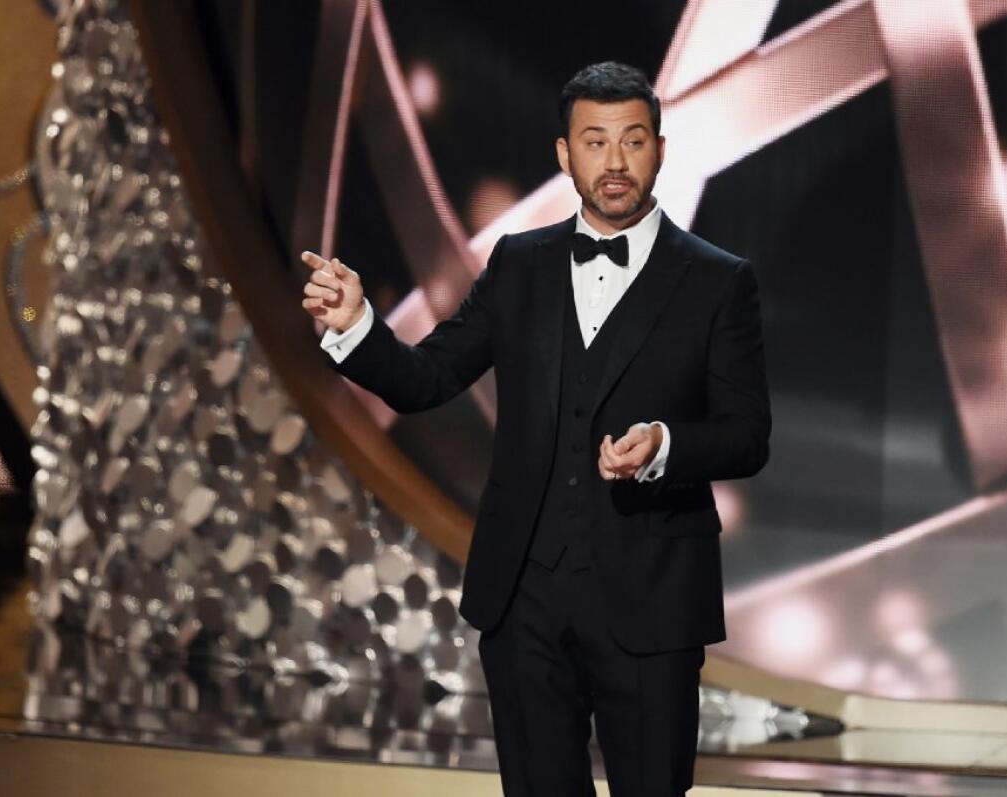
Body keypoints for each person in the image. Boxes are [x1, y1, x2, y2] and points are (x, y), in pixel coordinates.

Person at [301, 61, 770, 797]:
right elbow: (428, 378)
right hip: (525, 602)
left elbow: (747, 434)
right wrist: (357, 326)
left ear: (660, 148)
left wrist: (665, 447)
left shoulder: (717, 279)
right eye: (594, 141)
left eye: (632, 140)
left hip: (652, 604)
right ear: (563, 154)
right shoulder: (520, 264)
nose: (614, 162)